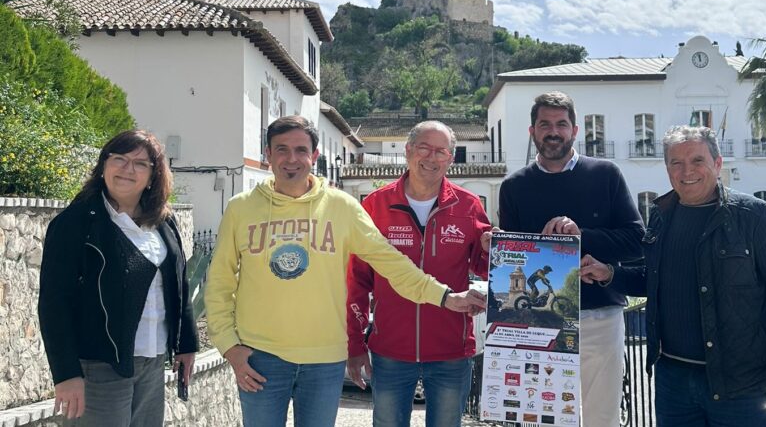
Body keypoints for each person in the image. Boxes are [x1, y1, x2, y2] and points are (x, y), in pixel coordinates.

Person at [205, 116, 486, 427]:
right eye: (281, 149)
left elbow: (391, 264)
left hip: (324, 361)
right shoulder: (240, 208)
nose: (291, 159)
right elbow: (219, 283)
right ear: (267, 155)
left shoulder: (343, 207)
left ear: (314, 156)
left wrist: (444, 297)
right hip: (261, 358)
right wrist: (230, 347)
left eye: (301, 150)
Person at [580, 125, 766, 425]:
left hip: (739, 383)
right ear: (667, 168)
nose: (687, 170)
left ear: (717, 163)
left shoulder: (752, 217)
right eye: (677, 162)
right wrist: (609, 273)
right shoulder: (661, 215)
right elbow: (656, 278)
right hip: (673, 380)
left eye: (697, 160)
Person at [497, 91, 644, 427]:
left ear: (575, 130)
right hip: (540, 321)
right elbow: (515, 260)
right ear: (532, 131)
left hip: (599, 316)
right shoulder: (513, 187)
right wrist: (500, 248)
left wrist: (582, 237)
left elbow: (637, 242)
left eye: (561, 124)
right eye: (545, 124)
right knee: (541, 417)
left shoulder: (606, 174)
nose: (553, 131)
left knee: (602, 418)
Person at [38, 130, 198, 426]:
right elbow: (53, 303)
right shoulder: (75, 224)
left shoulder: (164, 221)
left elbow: (179, 283)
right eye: (119, 159)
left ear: (153, 176)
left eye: (140, 164)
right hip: (99, 367)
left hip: (152, 362)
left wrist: (186, 343)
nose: (127, 169)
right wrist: (67, 374)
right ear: (103, 166)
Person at [346, 120, 491, 427]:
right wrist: (355, 345)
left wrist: (493, 248)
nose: (432, 157)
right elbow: (356, 279)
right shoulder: (376, 205)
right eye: (424, 147)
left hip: (451, 351)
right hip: (390, 350)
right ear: (408, 151)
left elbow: (483, 265)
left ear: (451, 159)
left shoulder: (468, 206)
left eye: (441, 151)